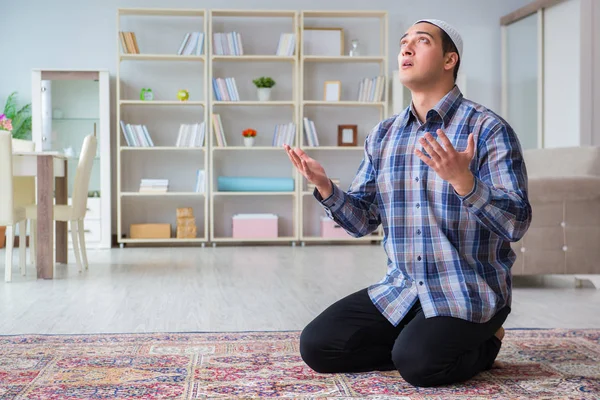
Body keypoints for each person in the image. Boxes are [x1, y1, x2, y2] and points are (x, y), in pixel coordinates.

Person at [284, 19, 532, 387]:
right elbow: (362, 222)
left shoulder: (488, 128)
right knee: (318, 348)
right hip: (402, 287)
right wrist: (325, 188)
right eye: (404, 42)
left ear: (450, 60)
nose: (406, 49)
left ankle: (486, 341)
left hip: (468, 289)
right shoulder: (384, 135)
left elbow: (517, 222)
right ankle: (414, 344)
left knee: (420, 367)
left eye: (422, 41)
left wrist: (464, 182)